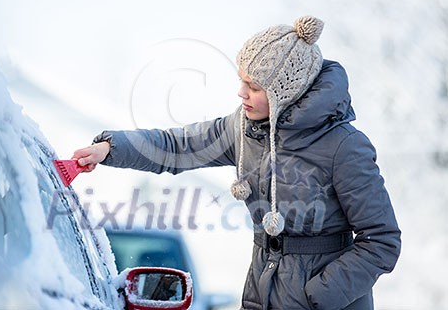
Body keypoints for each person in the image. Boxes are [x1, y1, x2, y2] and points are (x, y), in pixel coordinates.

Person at [72, 16, 401, 310]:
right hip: (262, 291)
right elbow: (176, 147)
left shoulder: (344, 146)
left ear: (286, 92)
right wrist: (109, 149)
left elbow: (381, 241)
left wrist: (318, 296)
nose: (240, 92)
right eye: (242, 79)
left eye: (254, 86)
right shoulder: (244, 129)